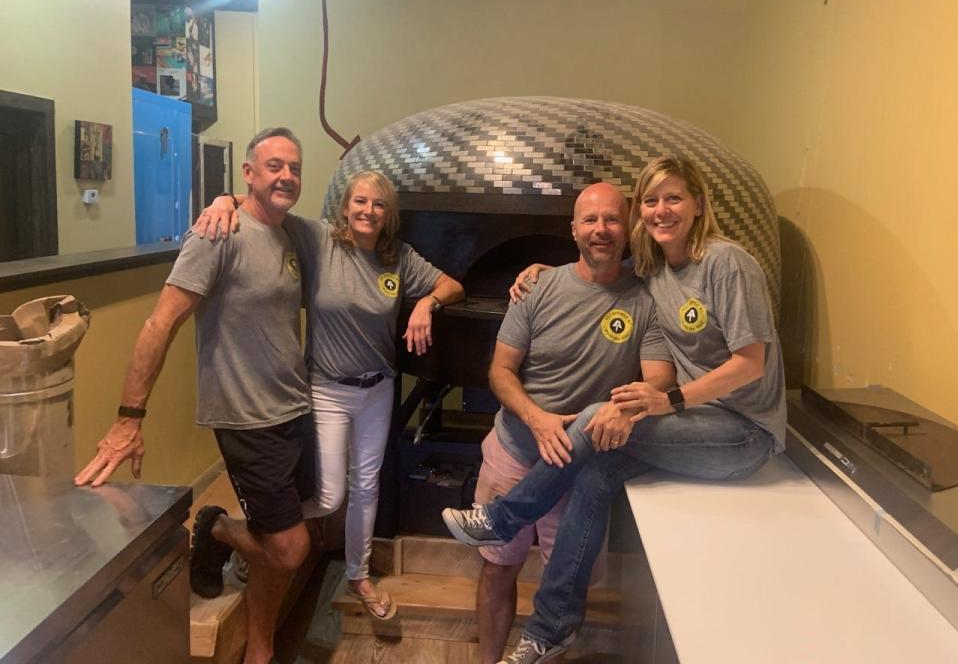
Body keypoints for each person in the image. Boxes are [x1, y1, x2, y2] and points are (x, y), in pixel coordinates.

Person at [443, 156, 786, 664]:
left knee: (593, 419)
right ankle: (551, 629)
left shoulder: (724, 263)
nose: (661, 210)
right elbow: (508, 362)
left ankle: (501, 518)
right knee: (596, 472)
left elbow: (749, 364)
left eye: (673, 198)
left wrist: (658, 401)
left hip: (740, 431)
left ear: (697, 204)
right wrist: (541, 273)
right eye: (651, 200)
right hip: (639, 431)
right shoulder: (654, 274)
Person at [75, 127, 316, 664]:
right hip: (245, 416)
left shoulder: (294, 234)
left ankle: (261, 648)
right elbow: (161, 323)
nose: (286, 176)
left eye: (295, 168)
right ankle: (218, 528)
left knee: (284, 537)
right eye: (273, 166)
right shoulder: (215, 235)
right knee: (289, 546)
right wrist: (128, 418)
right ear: (248, 173)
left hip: (294, 408)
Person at [196, 170, 464, 620]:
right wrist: (225, 198)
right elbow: (267, 207)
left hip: (378, 388)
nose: (368, 211)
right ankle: (248, 533)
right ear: (344, 207)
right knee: (327, 495)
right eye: (360, 202)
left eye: (378, 205)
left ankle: (358, 575)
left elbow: (453, 285)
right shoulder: (320, 241)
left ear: (388, 215)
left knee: (366, 487)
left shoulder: (397, 257)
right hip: (325, 390)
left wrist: (425, 304)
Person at [447, 181, 675, 664]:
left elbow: (658, 380)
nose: (601, 230)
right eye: (590, 220)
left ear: (628, 227)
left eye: (612, 219)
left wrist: (633, 404)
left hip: (579, 466)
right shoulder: (537, 287)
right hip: (514, 451)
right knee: (496, 569)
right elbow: (500, 371)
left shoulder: (645, 300)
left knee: (565, 584)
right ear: (573, 230)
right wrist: (537, 420)